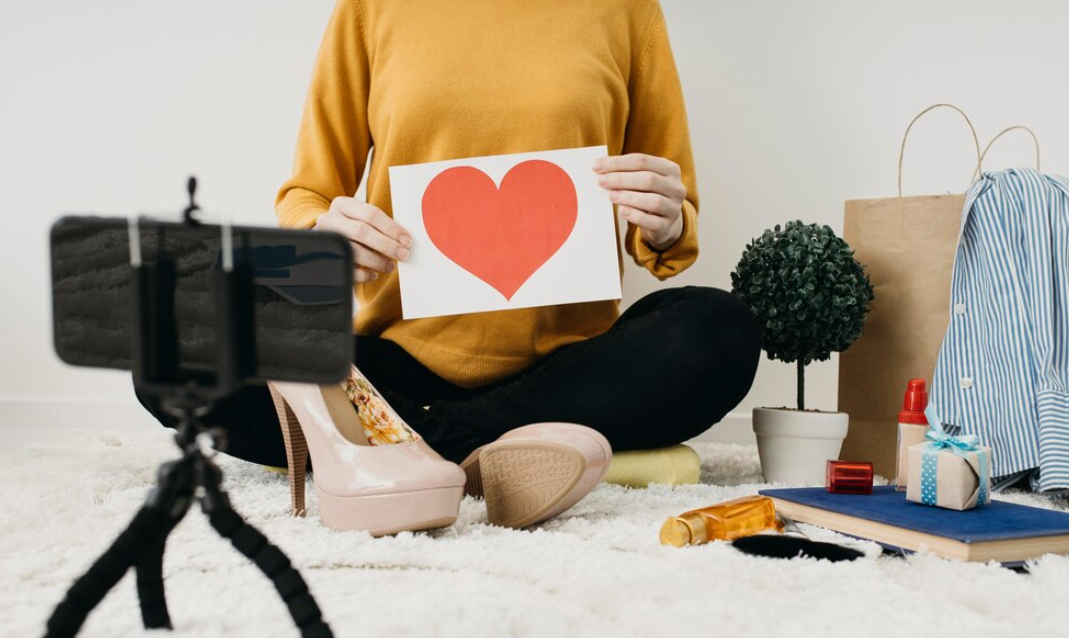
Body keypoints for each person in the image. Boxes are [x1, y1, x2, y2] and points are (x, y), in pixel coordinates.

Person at [137, 0, 761, 529]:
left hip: (573, 371)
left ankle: (414, 453)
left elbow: (674, 224)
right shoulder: (371, 7)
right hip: (393, 372)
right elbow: (306, 196)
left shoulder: (626, 9)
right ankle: (485, 453)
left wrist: (667, 217)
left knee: (718, 328)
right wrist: (324, 235)